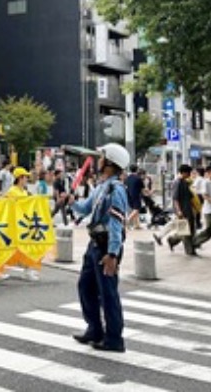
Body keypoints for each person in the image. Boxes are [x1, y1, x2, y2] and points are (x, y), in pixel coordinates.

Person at [71, 142, 130, 353]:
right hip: (94, 244)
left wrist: (112, 254)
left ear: (110, 163)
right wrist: (71, 202)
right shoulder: (101, 187)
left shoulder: (116, 190)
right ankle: (94, 329)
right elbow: (86, 208)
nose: (98, 160)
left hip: (106, 248)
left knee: (108, 293)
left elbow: (116, 223)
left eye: (102, 157)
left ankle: (114, 338)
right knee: (85, 287)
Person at [163, 164, 197, 254]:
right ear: (184, 173)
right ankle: (189, 250)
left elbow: (190, 197)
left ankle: (172, 240)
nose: (190, 174)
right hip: (182, 210)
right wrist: (178, 211)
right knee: (185, 230)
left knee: (190, 229)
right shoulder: (177, 183)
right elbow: (175, 199)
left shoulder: (185, 182)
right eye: (188, 172)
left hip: (188, 209)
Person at [125, 165, 144, 229]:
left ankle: (137, 225)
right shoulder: (138, 178)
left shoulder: (128, 178)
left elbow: (126, 185)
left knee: (135, 209)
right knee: (136, 209)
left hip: (128, 195)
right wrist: (147, 193)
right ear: (137, 170)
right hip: (136, 195)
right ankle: (127, 220)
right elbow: (142, 189)